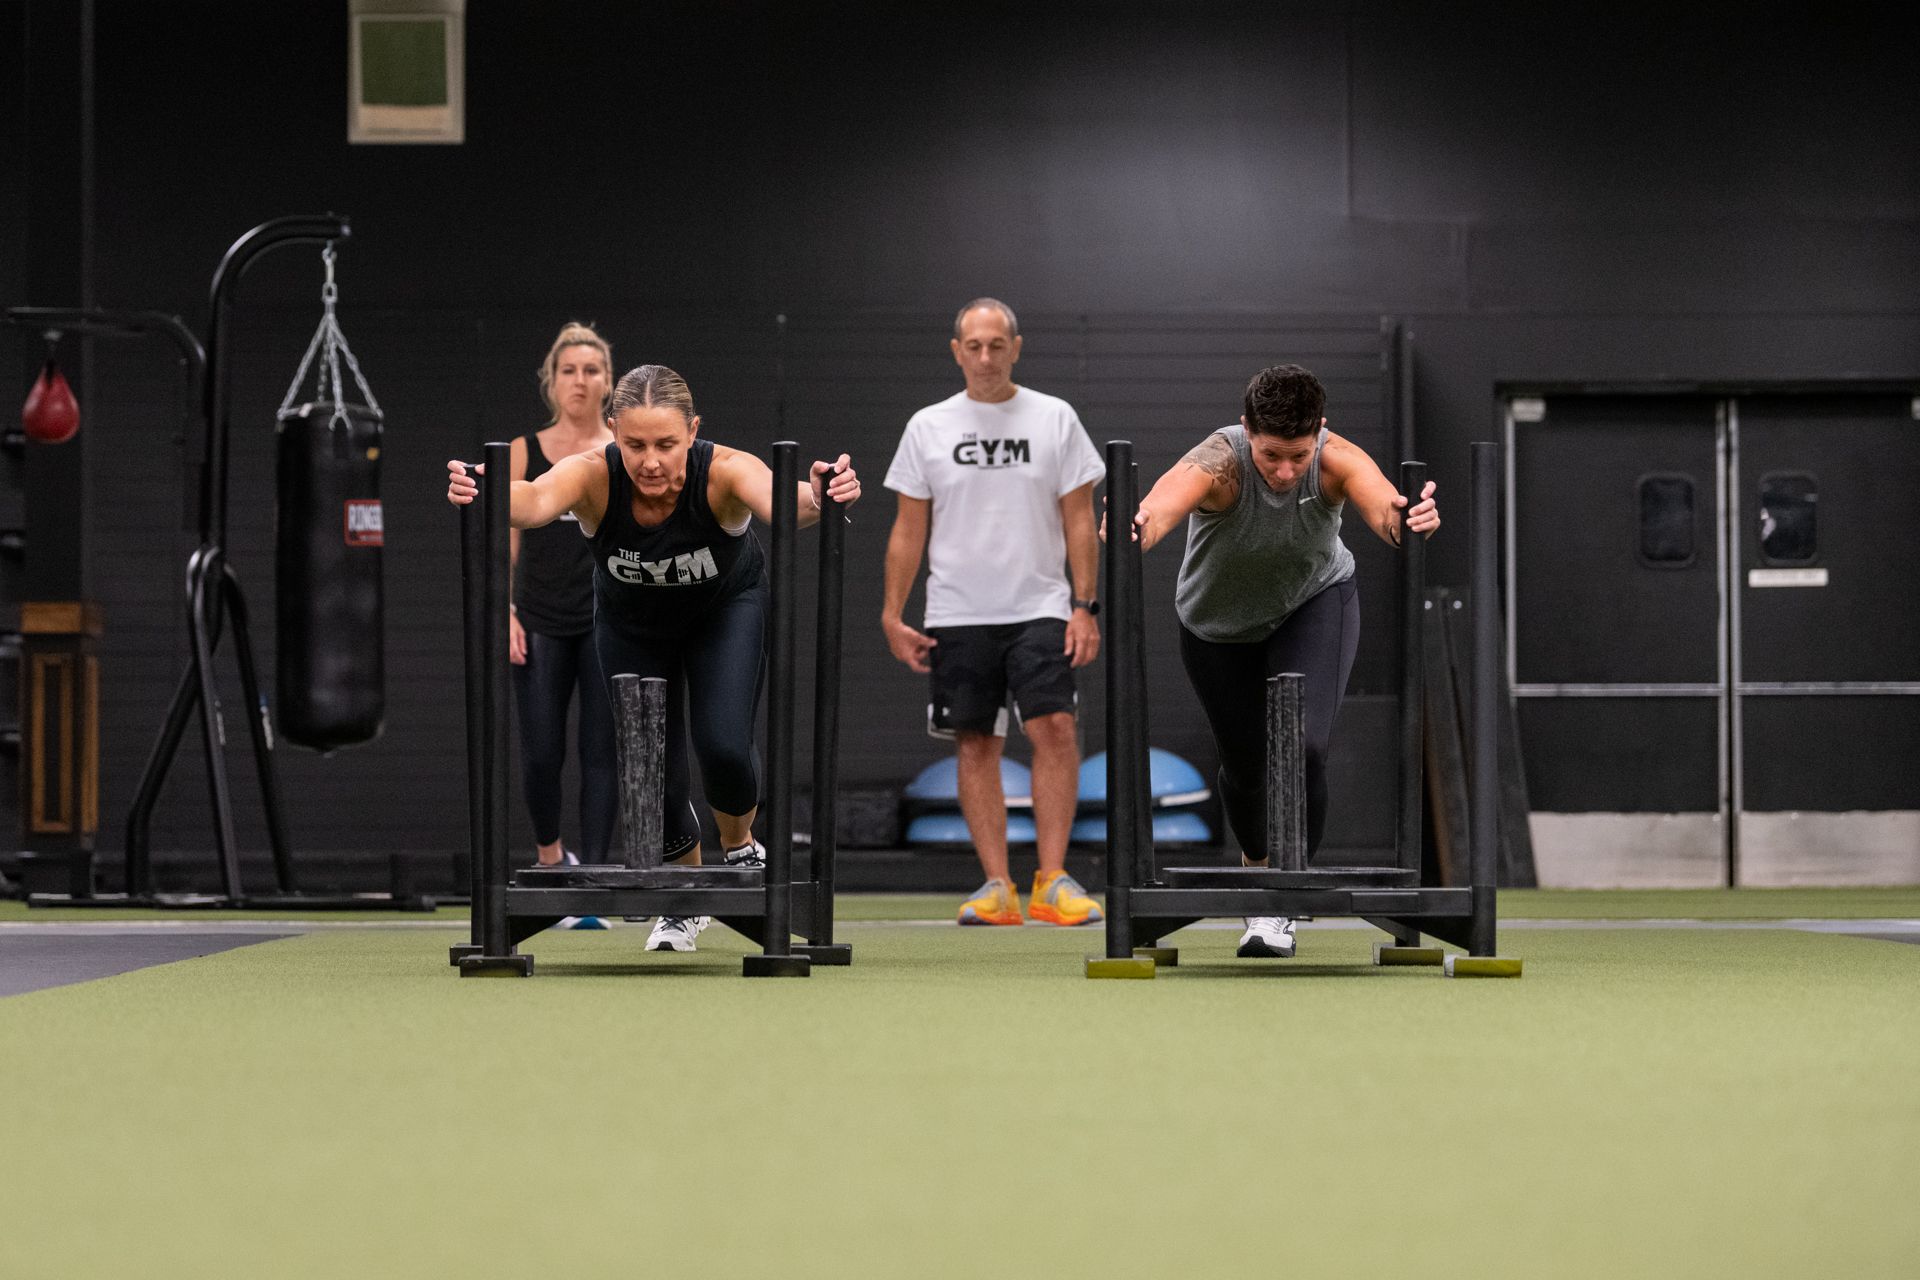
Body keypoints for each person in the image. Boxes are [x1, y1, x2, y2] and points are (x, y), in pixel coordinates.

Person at [448, 363, 860, 952]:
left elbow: (785, 500)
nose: (651, 462)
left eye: (667, 444)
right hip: (631, 625)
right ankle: (682, 897)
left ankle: (741, 844)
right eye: (635, 444)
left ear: (693, 431)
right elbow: (535, 500)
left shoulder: (722, 471)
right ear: (612, 430)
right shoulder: (593, 476)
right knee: (650, 770)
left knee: (722, 743)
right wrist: (485, 489)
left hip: (724, 613)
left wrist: (822, 490)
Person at [1124, 364, 1438, 959]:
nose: (1286, 471)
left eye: (1298, 455)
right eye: (1271, 455)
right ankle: (1259, 868)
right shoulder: (1220, 461)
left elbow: (1383, 510)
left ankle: (1279, 899)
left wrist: (1408, 519)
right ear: (1248, 432)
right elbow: (1162, 506)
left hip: (1313, 603)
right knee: (1246, 770)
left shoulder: (1337, 458)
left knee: (1304, 746)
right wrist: (1135, 527)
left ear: (1318, 433)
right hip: (1216, 627)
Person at [881, 298, 1106, 927]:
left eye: (996, 345)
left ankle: (1053, 879)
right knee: (976, 741)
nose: (985, 356)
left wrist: (1083, 606)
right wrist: (893, 614)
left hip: (1040, 605)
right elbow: (907, 530)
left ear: (1016, 346)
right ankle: (997, 885)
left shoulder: (1055, 418)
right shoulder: (928, 426)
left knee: (1055, 730)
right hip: (957, 611)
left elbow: (1081, 519)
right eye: (973, 346)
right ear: (956, 351)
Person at [508, 324, 618, 929]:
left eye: (592, 370)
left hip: (607, 621)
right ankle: (552, 860)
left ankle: (593, 886)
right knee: (541, 752)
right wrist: (505, 611)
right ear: (553, 380)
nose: (581, 380)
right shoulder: (527, 448)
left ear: (608, 380)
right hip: (541, 620)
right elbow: (507, 536)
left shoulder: (625, 445)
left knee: (600, 753)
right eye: (570, 370)